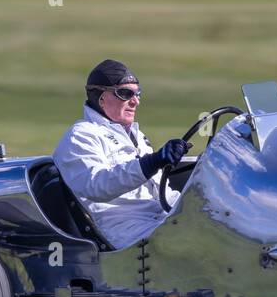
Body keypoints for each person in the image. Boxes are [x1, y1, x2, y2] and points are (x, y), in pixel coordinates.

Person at [52, 59, 190, 247]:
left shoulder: (136, 135)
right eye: (126, 94)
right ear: (101, 98)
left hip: (160, 218)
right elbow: (95, 185)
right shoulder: (81, 135)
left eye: (138, 94)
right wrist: (151, 163)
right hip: (125, 230)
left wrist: (192, 204)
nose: (136, 101)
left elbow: (162, 192)